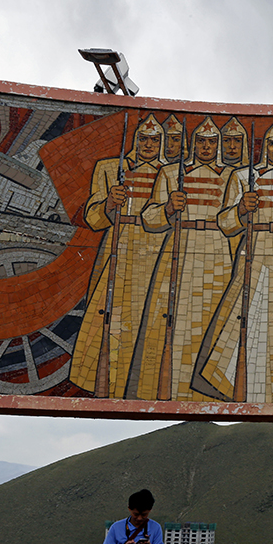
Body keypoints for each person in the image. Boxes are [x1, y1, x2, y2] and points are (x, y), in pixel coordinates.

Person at [196, 118, 273, 402]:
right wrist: (241, 208)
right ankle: (236, 383)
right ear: (265, 147)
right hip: (255, 246)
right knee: (246, 317)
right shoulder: (243, 177)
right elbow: (225, 223)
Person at [70, 114, 166, 398]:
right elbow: (93, 218)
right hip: (119, 243)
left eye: (155, 140)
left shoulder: (170, 171)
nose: (149, 145)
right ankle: (102, 382)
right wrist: (109, 202)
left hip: (157, 248)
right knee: (107, 315)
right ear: (135, 140)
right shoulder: (109, 168)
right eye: (144, 139)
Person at [138, 117, 234, 401]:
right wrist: (168, 207)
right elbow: (148, 218)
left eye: (211, 143)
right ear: (193, 144)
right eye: (201, 142)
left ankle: (205, 390)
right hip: (179, 244)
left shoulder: (231, 175)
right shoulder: (170, 173)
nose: (206, 147)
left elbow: (234, 223)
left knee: (213, 318)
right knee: (170, 320)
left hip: (217, 248)